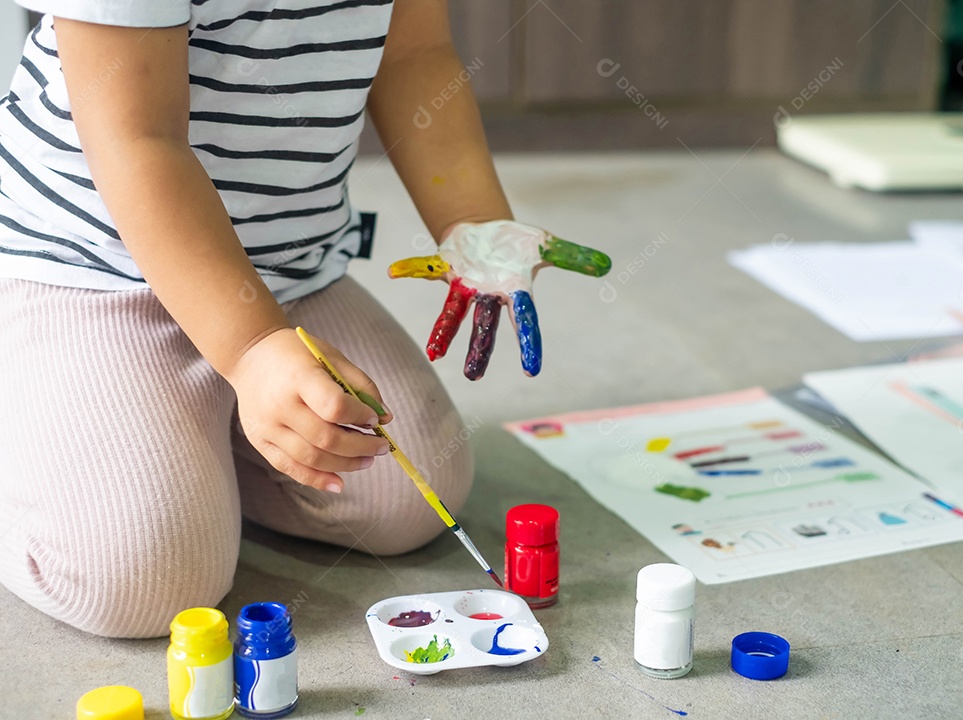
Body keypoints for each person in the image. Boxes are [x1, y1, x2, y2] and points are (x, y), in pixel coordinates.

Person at [0, 0, 579, 639]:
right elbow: (136, 138)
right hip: (88, 265)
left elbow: (414, 56)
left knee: (406, 501)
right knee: (145, 583)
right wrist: (250, 349)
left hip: (285, 270)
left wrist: (474, 223)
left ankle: (198, 439)